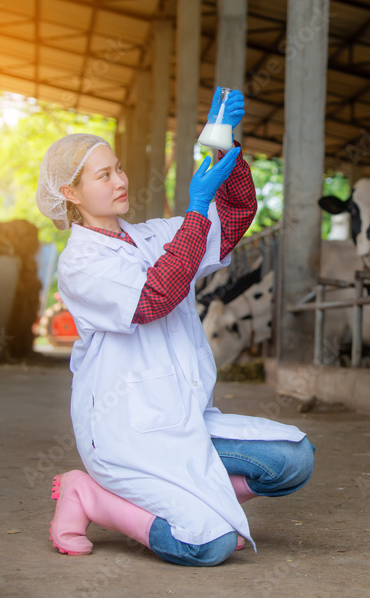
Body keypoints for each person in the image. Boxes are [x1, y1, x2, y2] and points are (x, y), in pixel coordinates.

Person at [35, 88, 315, 567]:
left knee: (294, 460)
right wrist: (195, 208)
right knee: (206, 545)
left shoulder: (149, 236)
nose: (120, 180)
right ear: (70, 193)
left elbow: (232, 221)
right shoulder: (80, 263)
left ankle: (203, 502)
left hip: (182, 420)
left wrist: (223, 147)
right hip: (127, 433)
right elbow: (153, 298)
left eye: (119, 168)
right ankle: (89, 496)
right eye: (104, 175)